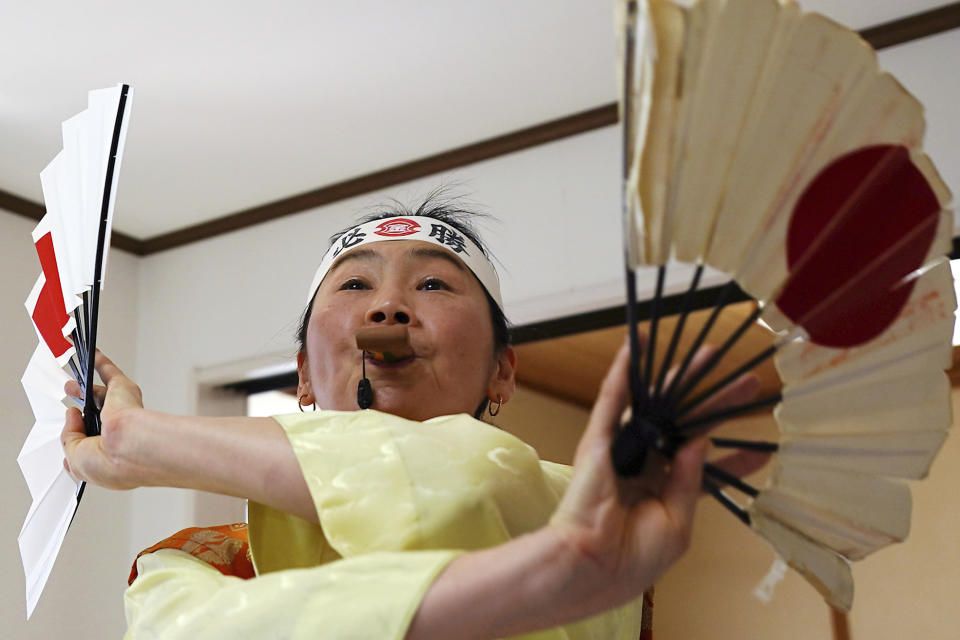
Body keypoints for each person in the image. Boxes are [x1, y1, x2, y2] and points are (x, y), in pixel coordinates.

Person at [62, 198, 761, 639]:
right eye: (356, 284)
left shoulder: (569, 500)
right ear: (304, 373)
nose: (388, 309)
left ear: (502, 371)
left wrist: (146, 439)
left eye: (432, 284)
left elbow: (463, 483)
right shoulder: (194, 559)